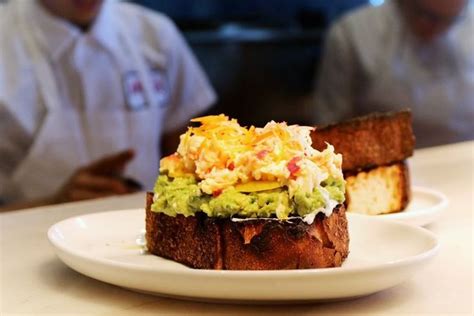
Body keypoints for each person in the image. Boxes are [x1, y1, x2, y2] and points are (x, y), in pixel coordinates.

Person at [0, 0, 216, 211]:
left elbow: (189, 157)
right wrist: (54, 203)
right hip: (23, 236)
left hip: (143, 229)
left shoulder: (154, 33)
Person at [314, 0, 473, 148]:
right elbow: (328, 125)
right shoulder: (352, 34)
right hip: (382, 157)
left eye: (449, 20)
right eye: (424, 15)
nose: (436, 29)